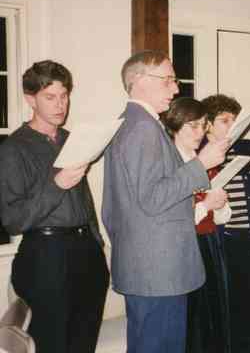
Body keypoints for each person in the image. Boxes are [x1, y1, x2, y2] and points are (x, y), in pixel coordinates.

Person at [101, 51, 229, 353]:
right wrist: (201, 164)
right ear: (139, 80)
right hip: (158, 270)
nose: (175, 88)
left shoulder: (132, 123)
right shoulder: (143, 128)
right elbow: (153, 198)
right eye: (168, 79)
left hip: (150, 267)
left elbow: (115, 209)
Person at [0, 60, 109, 353]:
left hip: (86, 252)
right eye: (50, 97)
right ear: (30, 99)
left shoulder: (71, 139)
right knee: (52, 345)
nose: (60, 105)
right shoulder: (13, 149)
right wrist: (57, 184)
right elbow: (13, 220)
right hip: (45, 256)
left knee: (84, 342)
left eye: (64, 96)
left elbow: (84, 199)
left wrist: (97, 244)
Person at [202, 94, 250, 353]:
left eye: (235, 120)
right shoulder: (201, 153)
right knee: (226, 302)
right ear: (207, 124)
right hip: (224, 239)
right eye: (224, 120)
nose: (232, 125)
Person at [161, 97, 231, 353]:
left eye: (203, 125)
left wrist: (219, 204)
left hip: (210, 244)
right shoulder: (170, 165)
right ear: (175, 126)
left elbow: (223, 217)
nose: (200, 132)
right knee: (193, 320)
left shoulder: (205, 160)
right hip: (184, 247)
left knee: (216, 315)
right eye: (193, 126)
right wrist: (205, 206)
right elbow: (169, 218)